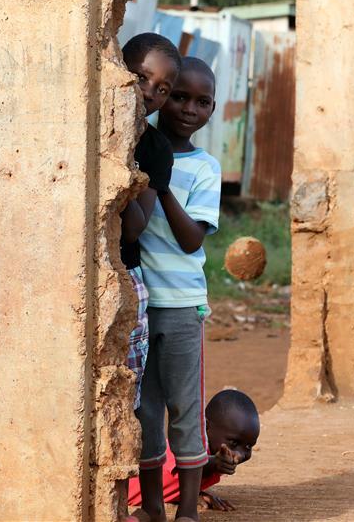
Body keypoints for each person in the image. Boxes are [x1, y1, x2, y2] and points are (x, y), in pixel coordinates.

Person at [135, 57, 222, 522]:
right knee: (145, 411)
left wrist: (163, 183)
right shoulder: (135, 151)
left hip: (183, 307)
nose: (189, 109)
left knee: (184, 410)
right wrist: (152, 166)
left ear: (212, 109)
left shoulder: (205, 168)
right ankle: (152, 507)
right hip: (138, 304)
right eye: (179, 96)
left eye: (202, 101)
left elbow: (191, 240)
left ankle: (186, 510)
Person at [120, 33, 181, 410]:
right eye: (141, 77)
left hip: (124, 276)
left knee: (122, 397)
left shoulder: (156, 149)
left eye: (163, 89)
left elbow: (133, 228)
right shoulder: (80, 130)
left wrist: (121, 167)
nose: (149, 92)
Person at [128, 390, 260, 513]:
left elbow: (173, 482)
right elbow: (183, 465)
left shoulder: (217, 458)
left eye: (248, 446)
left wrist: (193, 494)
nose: (240, 454)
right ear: (205, 426)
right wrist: (213, 464)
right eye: (234, 443)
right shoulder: (184, 446)